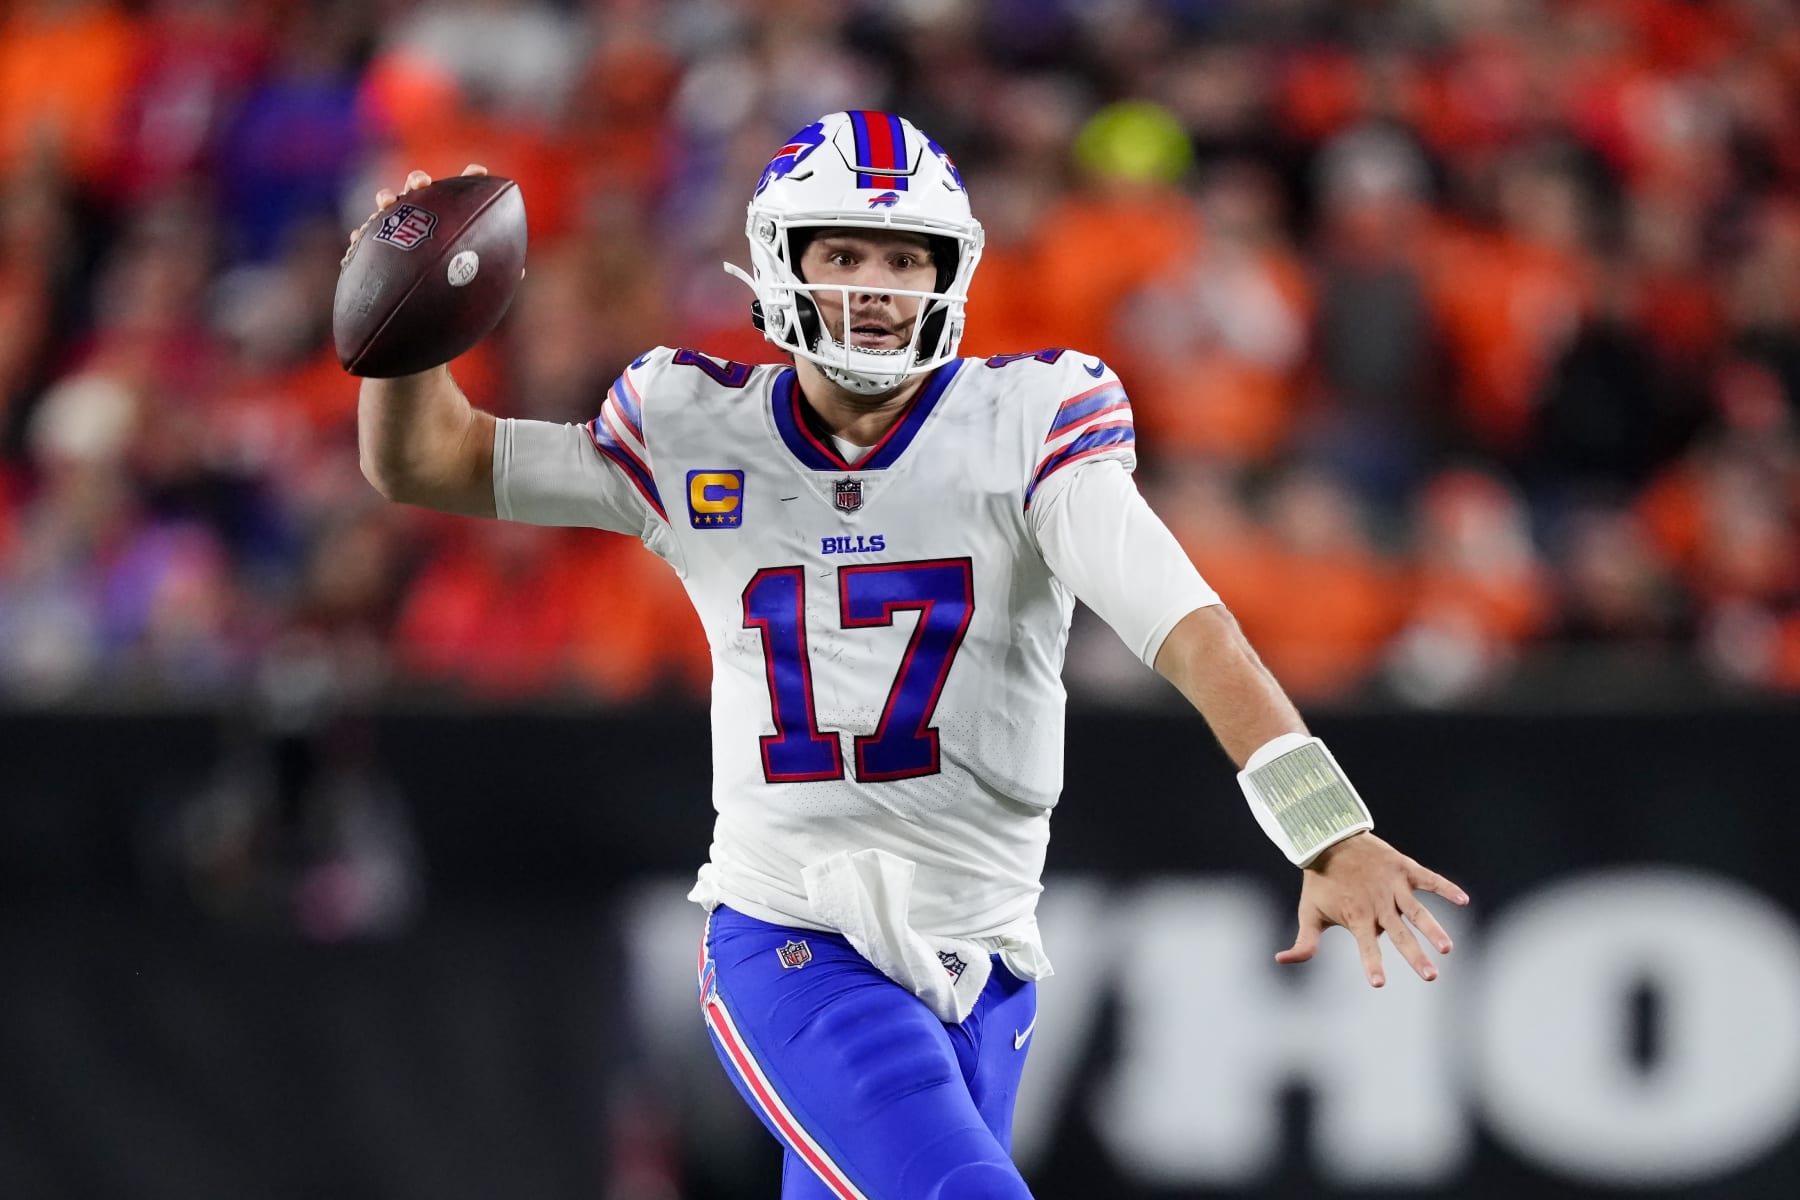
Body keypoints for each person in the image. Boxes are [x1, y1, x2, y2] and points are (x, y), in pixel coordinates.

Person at [350, 111, 1469, 1200]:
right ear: (781, 261)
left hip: (986, 956)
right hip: (793, 933)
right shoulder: (693, 425)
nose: (877, 287)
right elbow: (432, 462)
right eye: (845, 253)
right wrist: (406, 331)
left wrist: (1328, 823)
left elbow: (1186, 625)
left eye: (904, 256)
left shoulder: (1031, 420)